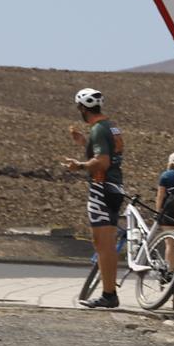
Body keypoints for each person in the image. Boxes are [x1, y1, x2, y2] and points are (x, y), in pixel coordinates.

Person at [61, 88, 124, 309]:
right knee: (106, 243)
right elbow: (107, 152)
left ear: (82, 108)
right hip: (114, 186)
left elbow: (102, 162)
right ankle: (109, 292)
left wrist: (78, 165)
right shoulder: (110, 126)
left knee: (103, 243)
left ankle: (109, 294)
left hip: (101, 187)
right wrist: (85, 143)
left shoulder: (98, 129)